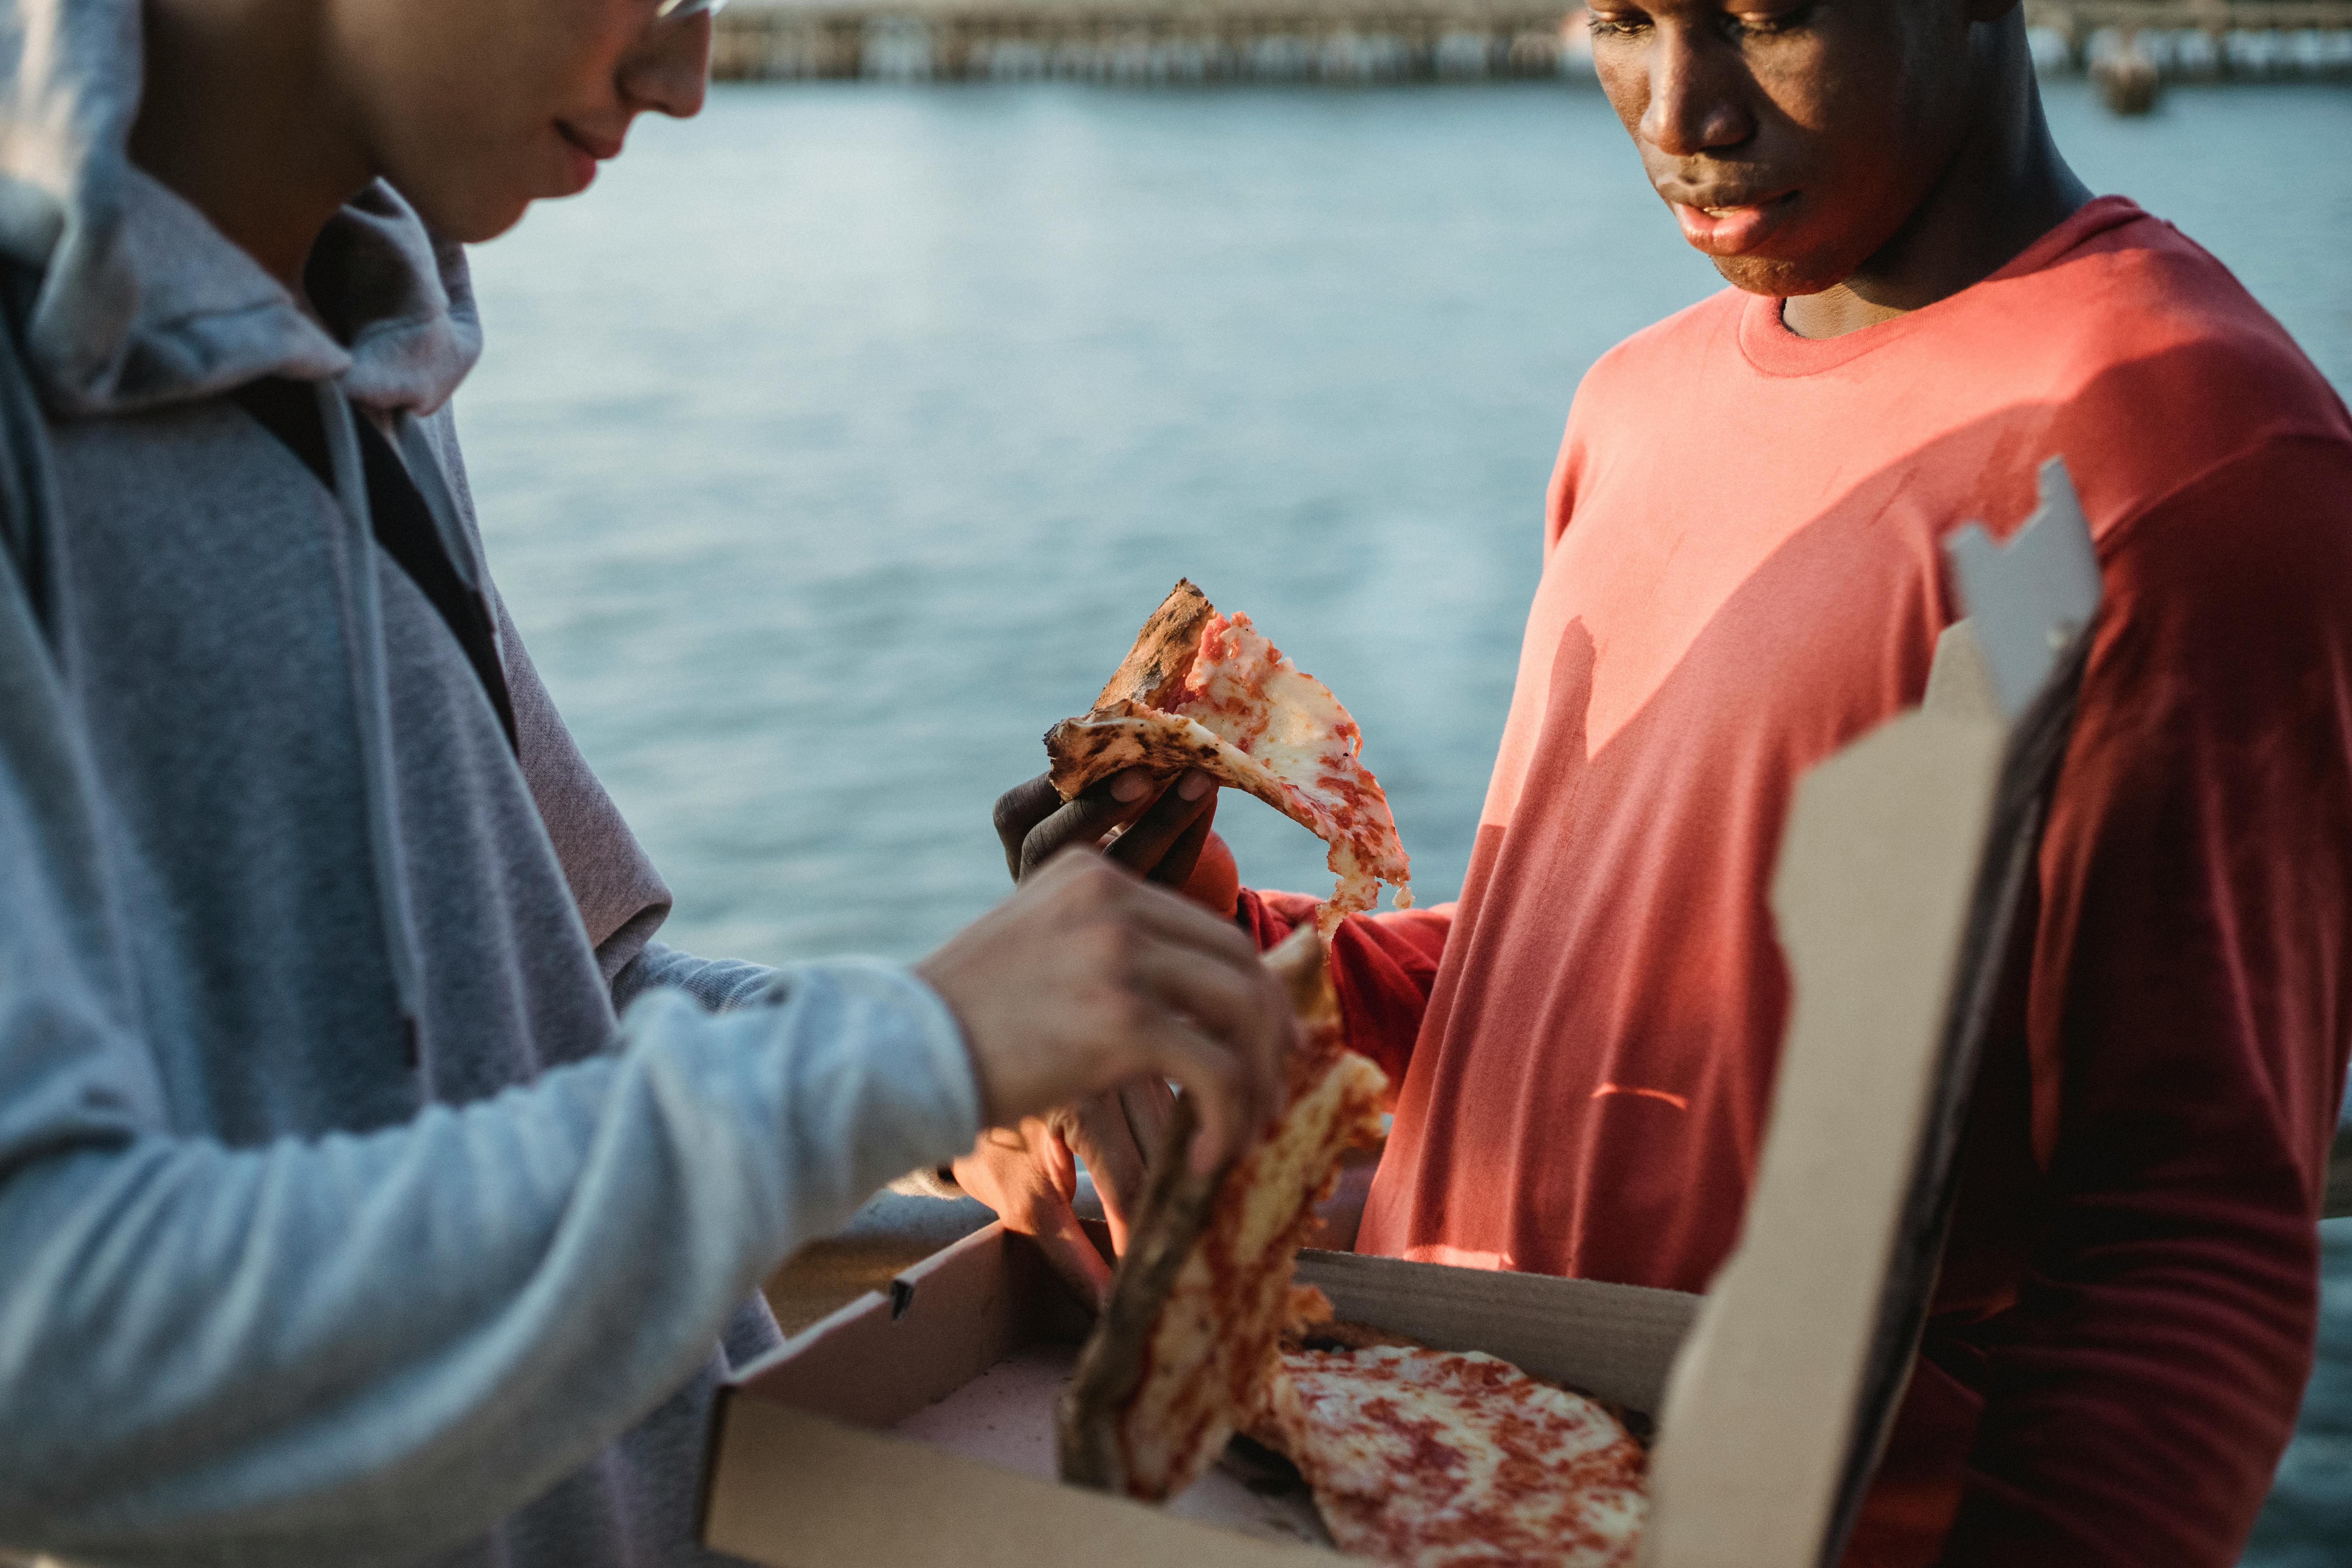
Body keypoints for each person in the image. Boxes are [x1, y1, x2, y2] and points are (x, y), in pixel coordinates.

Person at [984, 0, 2352, 1562]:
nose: (1681, 110)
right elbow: (1544, 974)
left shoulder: (2180, 448)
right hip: (1422, 1467)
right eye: (1624, 19)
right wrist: (1200, 917)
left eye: (1764, 20)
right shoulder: (1634, 401)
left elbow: (2181, 1229)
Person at [0, 0, 1293, 1564]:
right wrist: (893, 1053)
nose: (684, 76)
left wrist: (973, 1068)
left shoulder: (360, 343)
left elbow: (555, 987)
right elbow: (55, 1352)